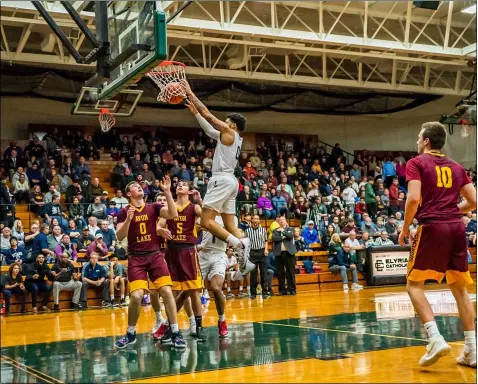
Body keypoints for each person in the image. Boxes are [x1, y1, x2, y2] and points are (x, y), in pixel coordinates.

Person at [398, 122, 477, 368]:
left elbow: (412, 198)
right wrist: (454, 210)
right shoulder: (456, 166)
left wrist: (404, 228)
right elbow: (473, 201)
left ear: (426, 141)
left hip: (432, 226)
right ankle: (472, 350)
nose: (417, 141)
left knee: (414, 285)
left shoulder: (417, 162)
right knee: (460, 289)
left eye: (419, 137)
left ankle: (434, 338)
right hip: (456, 228)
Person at [183, 80, 253, 274]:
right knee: (230, 224)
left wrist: (190, 92)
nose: (225, 122)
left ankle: (238, 245)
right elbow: (208, 129)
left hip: (221, 179)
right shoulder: (232, 138)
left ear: (234, 125)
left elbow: (209, 115)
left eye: (228, 120)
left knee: (205, 222)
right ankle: (244, 252)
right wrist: (195, 113)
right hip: (230, 181)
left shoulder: (229, 132)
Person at [114, 177, 185, 349]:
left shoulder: (153, 207)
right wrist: (129, 221)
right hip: (136, 257)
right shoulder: (124, 212)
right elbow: (119, 236)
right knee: (137, 296)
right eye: (135, 187)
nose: (140, 187)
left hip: (154, 255)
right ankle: (130, 333)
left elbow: (174, 214)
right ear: (129, 194)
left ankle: (175, 332)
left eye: (140, 185)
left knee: (167, 291)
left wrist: (167, 192)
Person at [158, 180, 207, 343]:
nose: (180, 185)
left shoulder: (194, 207)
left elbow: (207, 218)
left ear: (189, 190)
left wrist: (200, 200)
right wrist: (160, 230)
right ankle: (172, 327)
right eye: (178, 184)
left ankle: (199, 326)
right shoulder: (168, 208)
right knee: (174, 292)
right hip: (171, 251)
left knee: (193, 290)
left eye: (184, 184)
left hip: (188, 250)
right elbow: (159, 226)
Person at [197, 215, 237, 338]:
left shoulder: (230, 218)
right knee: (191, 291)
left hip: (219, 254)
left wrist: (212, 227)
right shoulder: (204, 213)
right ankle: (196, 324)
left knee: (216, 288)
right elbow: (194, 229)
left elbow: (230, 236)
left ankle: (222, 320)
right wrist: (200, 228)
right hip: (202, 253)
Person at [245, 215, 270, 298]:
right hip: (252, 253)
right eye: (254, 218)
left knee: (263, 273)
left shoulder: (263, 230)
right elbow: (246, 243)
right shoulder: (247, 231)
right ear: (252, 221)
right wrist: (247, 253)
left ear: (259, 221)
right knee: (253, 274)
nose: (255, 220)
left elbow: (266, 241)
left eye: (257, 219)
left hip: (262, 252)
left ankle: (265, 292)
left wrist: (266, 249)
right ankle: (253, 293)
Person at [272, 216, 297, 296]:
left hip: (289, 253)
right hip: (279, 253)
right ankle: (282, 290)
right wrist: (283, 237)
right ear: (278, 222)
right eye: (280, 220)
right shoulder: (275, 230)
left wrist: (283, 230)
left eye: (283, 220)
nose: (281, 221)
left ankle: (292, 289)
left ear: (286, 221)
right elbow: (274, 238)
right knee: (280, 273)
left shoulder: (290, 229)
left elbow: (290, 236)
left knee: (290, 272)